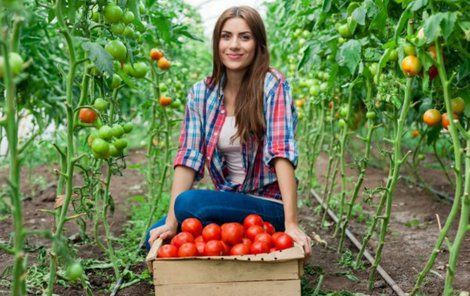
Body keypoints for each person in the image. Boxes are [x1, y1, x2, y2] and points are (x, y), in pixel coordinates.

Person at [146, 5, 312, 257]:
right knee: (156, 233)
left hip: (267, 204)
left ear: (258, 44)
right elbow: (188, 158)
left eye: (245, 37)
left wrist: (291, 224)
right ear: (217, 43)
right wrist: (171, 222)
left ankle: (250, 228)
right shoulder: (201, 93)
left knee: (189, 204)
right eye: (226, 36)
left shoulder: (272, 85)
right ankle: (220, 232)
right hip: (227, 200)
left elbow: (282, 152)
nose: (234, 45)